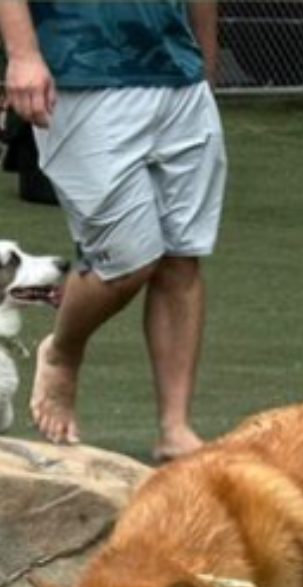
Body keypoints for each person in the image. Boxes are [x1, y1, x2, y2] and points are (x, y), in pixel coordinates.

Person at [0, 2, 226, 459]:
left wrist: (204, 62)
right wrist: (23, 55)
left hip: (177, 75)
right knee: (126, 261)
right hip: (81, 72)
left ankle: (174, 428)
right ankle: (62, 352)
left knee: (181, 258)